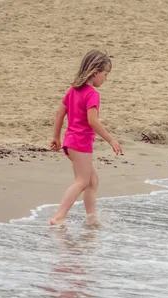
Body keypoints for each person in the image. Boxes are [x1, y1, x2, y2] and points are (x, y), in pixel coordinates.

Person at [49, 50, 123, 226]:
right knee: (82, 181)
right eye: (105, 74)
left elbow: (60, 114)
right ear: (95, 72)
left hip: (70, 142)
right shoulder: (92, 94)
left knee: (92, 180)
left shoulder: (73, 90)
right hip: (81, 143)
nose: (105, 79)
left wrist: (56, 137)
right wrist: (111, 139)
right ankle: (59, 216)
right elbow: (93, 121)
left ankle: (91, 219)